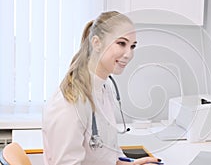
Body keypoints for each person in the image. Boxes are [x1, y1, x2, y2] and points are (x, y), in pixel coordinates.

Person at [42, 11, 161, 165]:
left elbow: (105, 157)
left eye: (132, 46)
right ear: (96, 43)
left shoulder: (105, 88)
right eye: (121, 43)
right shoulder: (69, 101)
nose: (129, 54)